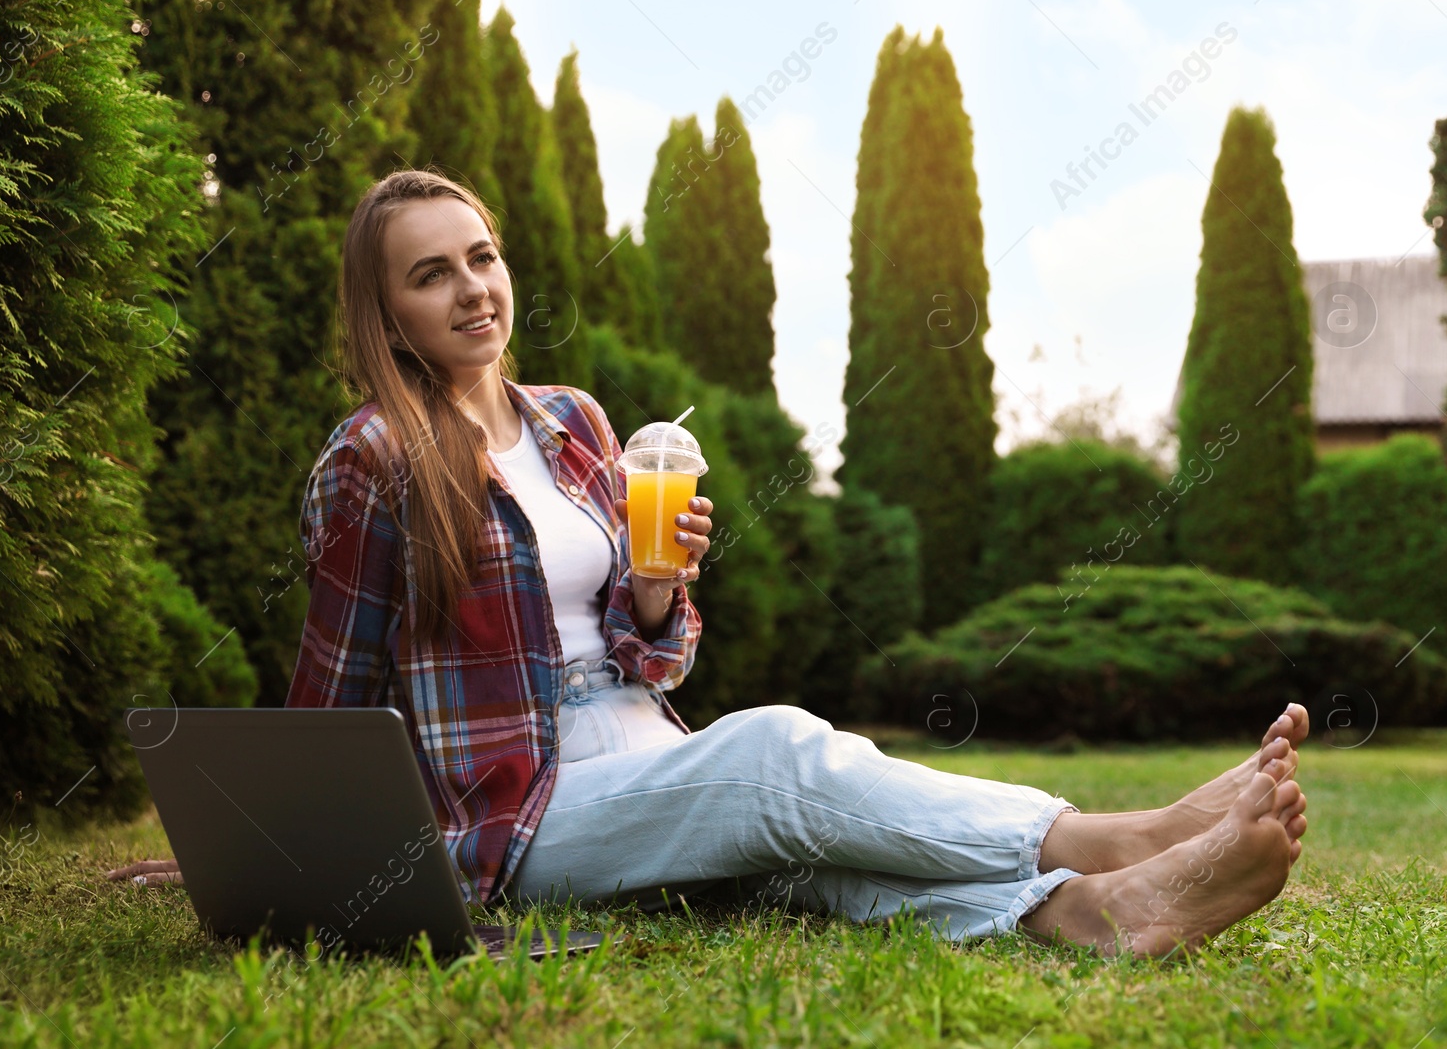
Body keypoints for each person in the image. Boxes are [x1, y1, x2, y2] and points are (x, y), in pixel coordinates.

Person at [108, 169, 1310, 956]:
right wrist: (248, 856)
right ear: (388, 311)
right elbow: (327, 698)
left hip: (645, 753)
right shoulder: (371, 458)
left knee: (822, 851)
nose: (472, 287)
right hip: (517, 816)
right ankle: (1106, 835)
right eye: (431, 273)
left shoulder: (571, 420)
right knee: (776, 751)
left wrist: (650, 587)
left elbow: (655, 650)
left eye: (480, 255)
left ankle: (1097, 913)